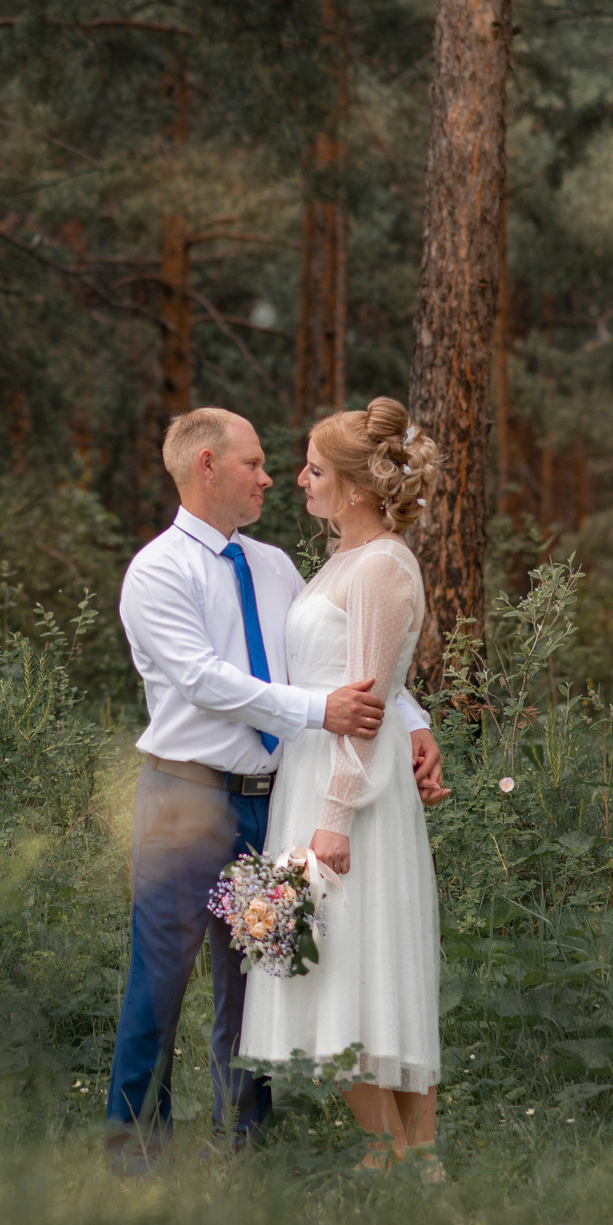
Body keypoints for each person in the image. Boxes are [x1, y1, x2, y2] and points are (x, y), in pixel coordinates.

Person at [105, 406, 441, 1171]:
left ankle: (241, 1147)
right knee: (159, 982)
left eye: (279, 463)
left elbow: (350, 661)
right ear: (206, 468)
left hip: (273, 797)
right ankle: (134, 1158)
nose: (271, 478)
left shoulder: (277, 565)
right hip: (186, 799)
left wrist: (413, 718)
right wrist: (318, 711)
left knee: (254, 982)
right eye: (254, 463)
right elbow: (204, 680)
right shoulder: (158, 570)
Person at [239, 397, 452, 1175]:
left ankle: (399, 1152)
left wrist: (332, 819)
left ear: (358, 487)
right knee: (343, 965)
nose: (299, 478)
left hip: (350, 792)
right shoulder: (337, 561)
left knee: (359, 965)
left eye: (316, 469)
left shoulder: (384, 566)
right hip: (315, 774)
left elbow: (366, 705)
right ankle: (408, 1158)